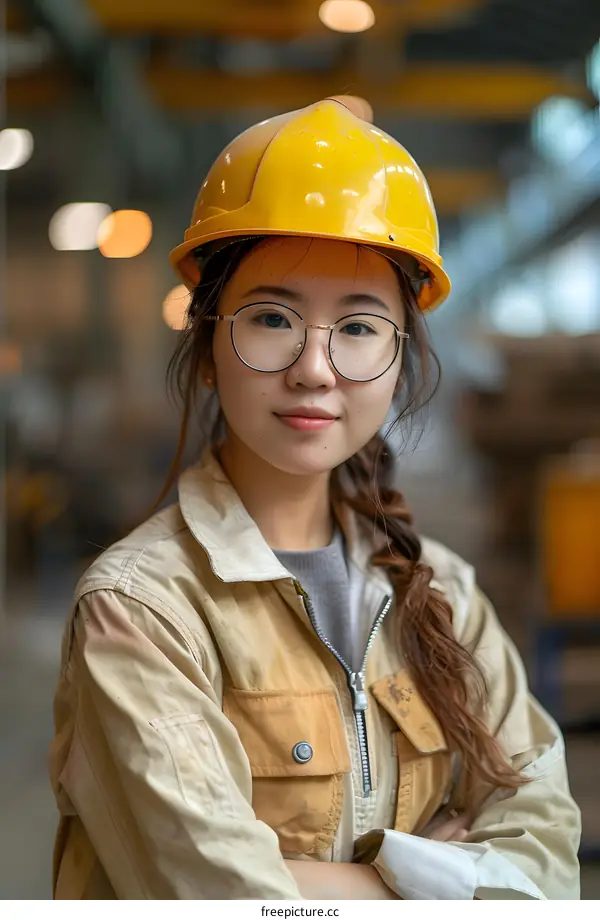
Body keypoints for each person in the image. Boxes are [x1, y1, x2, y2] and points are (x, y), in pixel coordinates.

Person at [49, 97, 581, 900]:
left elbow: (545, 859)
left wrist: (319, 881)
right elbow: (218, 897)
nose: (316, 369)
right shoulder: (142, 612)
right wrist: (414, 879)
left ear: (401, 360)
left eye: (360, 327)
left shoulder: (441, 596)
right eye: (272, 318)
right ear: (204, 347)